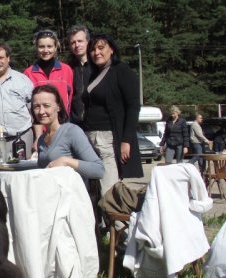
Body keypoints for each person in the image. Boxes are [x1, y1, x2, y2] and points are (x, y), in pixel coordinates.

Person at [82, 34, 143, 195]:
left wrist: (126, 140)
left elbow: (133, 107)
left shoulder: (121, 70)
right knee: (93, 189)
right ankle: (99, 221)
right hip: (90, 136)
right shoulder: (93, 74)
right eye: (93, 49)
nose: (96, 52)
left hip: (108, 138)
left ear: (112, 50)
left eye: (101, 48)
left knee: (108, 190)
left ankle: (114, 220)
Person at [32, 85, 104, 181]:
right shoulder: (41, 139)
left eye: (46, 106)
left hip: (71, 194)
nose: (41, 111)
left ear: (58, 107)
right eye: (36, 107)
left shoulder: (72, 131)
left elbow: (98, 170)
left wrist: (65, 161)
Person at [23, 29, 74, 114]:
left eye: (49, 46)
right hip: (39, 124)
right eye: (41, 46)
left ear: (55, 47)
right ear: (36, 48)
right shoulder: (28, 73)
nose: (45, 50)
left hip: (62, 123)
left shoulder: (66, 70)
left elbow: (71, 98)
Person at [67, 24, 93, 128]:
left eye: (80, 41)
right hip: (75, 124)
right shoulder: (68, 68)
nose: (77, 45)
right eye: (73, 42)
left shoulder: (98, 67)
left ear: (87, 42)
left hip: (96, 124)